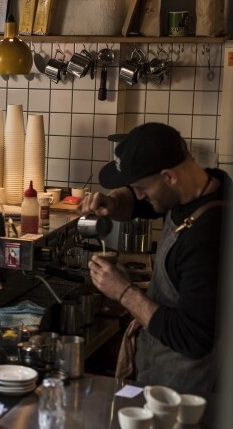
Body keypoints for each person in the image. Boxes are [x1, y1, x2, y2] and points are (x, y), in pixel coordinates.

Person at [81, 122, 230, 396]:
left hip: (185, 394)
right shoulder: (201, 184)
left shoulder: (209, 236)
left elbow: (193, 337)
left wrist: (124, 292)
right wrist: (114, 201)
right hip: (158, 373)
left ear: (169, 177)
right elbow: (140, 202)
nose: (137, 194)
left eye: (140, 187)